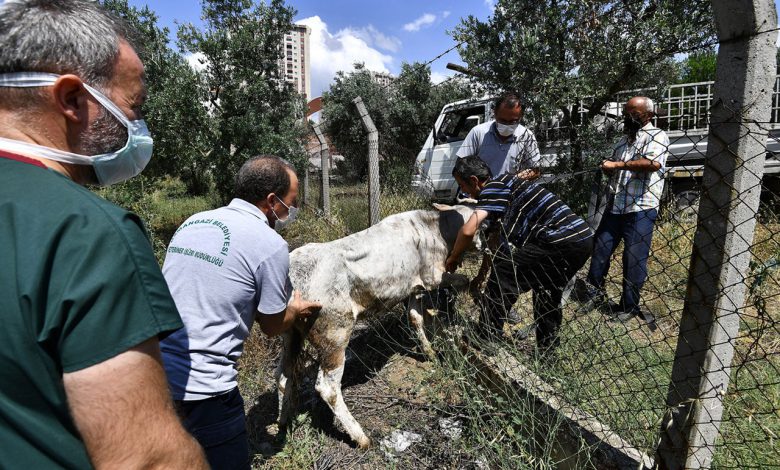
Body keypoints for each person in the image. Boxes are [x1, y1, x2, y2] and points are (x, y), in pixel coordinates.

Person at [0, 1, 208, 468]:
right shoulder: (87, 233)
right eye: (133, 108)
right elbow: (146, 459)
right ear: (72, 99)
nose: (137, 128)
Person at [161, 155, 322, 470]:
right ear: (272, 201)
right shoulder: (269, 244)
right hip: (207, 393)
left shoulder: (194, 221)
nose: (293, 210)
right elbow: (273, 326)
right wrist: (296, 308)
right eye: (292, 202)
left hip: (154, 378)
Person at [445, 157, 593, 352]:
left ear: (474, 180)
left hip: (558, 239)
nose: (464, 192)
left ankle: (486, 337)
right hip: (581, 239)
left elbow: (467, 230)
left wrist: (454, 257)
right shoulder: (508, 184)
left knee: (504, 275)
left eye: (463, 185)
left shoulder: (492, 188)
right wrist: (482, 273)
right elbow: (499, 245)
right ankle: (547, 352)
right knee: (546, 292)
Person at [582, 96, 669, 322]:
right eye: (626, 113)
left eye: (634, 113)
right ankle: (594, 293)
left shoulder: (657, 136)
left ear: (648, 115)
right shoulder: (622, 142)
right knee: (600, 249)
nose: (628, 118)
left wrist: (617, 165)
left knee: (633, 258)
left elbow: (653, 164)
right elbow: (614, 166)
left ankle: (628, 306)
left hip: (641, 207)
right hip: (616, 205)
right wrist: (608, 167)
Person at [456, 92, 542, 181]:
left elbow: (535, 170)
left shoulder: (526, 136)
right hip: (482, 191)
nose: (507, 125)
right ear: (495, 114)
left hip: (510, 192)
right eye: (503, 120)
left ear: (521, 116)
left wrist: (512, 180)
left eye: (513, 121)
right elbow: (461, 165)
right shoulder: (478, 132)